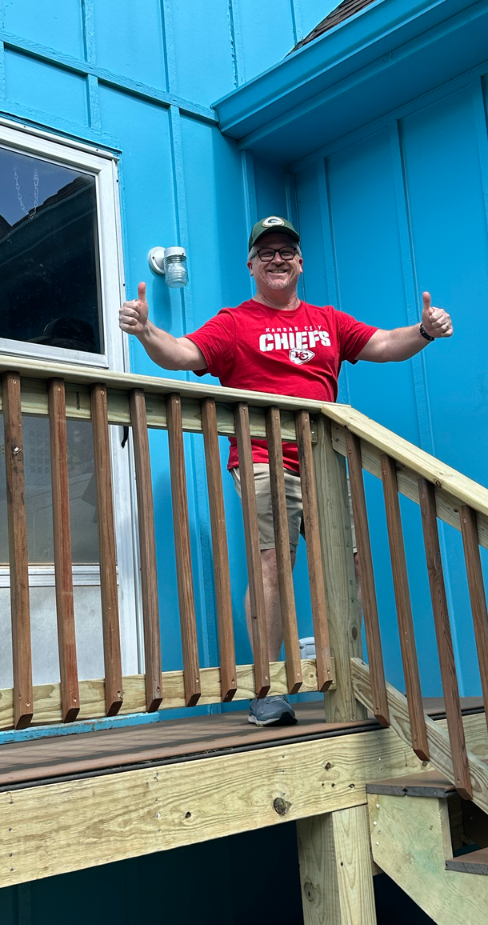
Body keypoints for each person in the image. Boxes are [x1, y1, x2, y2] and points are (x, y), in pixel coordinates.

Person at [118, 216, 453, 660]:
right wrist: (146, 332)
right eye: (265, 253)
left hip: (325, 457)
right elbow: (182, 353)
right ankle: (268, 681)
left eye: (286, 252)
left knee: (349, 561)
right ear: (251, 266)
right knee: (273, 562)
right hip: (262, 456)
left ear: (300, 262)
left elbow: (386, 343)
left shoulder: (328, 320)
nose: (277, 259)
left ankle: (342, 665)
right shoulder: (234, 323)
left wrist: (425, 330)